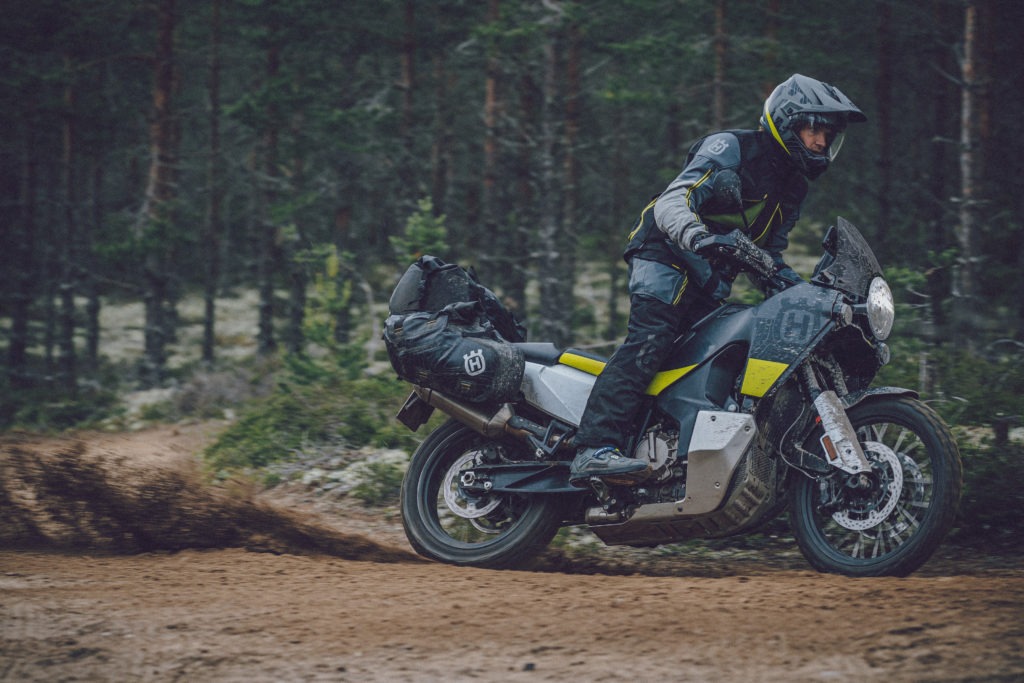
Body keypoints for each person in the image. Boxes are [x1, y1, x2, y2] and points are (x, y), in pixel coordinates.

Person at [569, 74, 867, 487]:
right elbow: (673, 201)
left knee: (703, 362)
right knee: (651, 339)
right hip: (666, 256)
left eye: (828, 135)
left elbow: (770, 254)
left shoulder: (793, 186)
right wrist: (699, 236)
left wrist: (805, 292)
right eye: (815, 129)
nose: (821, 143)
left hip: (710, 281)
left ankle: (657, 461)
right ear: (786, 120)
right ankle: (593, 449)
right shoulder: (731, 147)